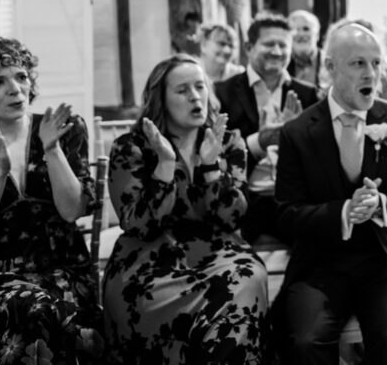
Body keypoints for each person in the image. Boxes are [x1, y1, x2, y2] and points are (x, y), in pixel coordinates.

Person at [102, 54, 269, 364]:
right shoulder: (131, 146)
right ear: (160, 99)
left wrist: (209, 166)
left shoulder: (229, 142)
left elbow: (231, 217)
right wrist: (165, 165)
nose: (195, 96)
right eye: (182, 90)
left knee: (246, 281)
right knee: (146, 296)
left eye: (200, 87)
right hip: (150, 254)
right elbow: (138, 224)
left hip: (220, 251)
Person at [272, 23, 387, 364]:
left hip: (382, 263)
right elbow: (285, 214)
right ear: (330, 68)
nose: (371, 73)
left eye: (375, 63)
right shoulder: (297, 133)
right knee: (306, 340)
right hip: (319, 264)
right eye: (358, 64)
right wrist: (342, 212)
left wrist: (381, 204)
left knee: (386, 333)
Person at [0, 37, 102, 364]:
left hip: (62, 271)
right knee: (38, 313)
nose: (15, 89)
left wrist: (52, 149)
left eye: (21, 77)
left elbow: (72, 210)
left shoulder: (64, 129)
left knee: (43, 314)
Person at [215, 13, 317, 241]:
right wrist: (258, 143)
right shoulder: (222, 93)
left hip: (295, 201)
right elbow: (216, 160)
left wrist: (297, 139)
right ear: (249, 47)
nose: (277, 52)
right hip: (244, 199)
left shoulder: (309, 94)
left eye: (283, 45)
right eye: (269, 44)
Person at [286, 9, 327, 91]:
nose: (300, 34)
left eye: (306, 29)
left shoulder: (329, 62)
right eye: (295, 29)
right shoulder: (282, 64)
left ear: (317, 35)